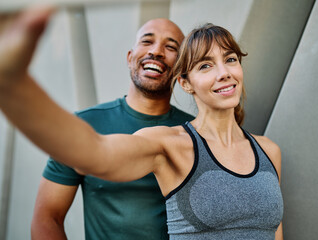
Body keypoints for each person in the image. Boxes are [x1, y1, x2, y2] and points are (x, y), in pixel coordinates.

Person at [0, 6, 283, 240]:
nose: (224, 73)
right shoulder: (170, 142)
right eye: (206, 65)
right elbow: (95, 153)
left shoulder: (269, 151)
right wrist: (13, 84)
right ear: (184, 82)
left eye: (230, 59)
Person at [27, 8, 194, 240]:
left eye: (171, 47)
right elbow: (47, 217)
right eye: (147, 41)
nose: (156, 51)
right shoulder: (83, 125)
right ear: (129, 57)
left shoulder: (197, 133)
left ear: (181, 70)